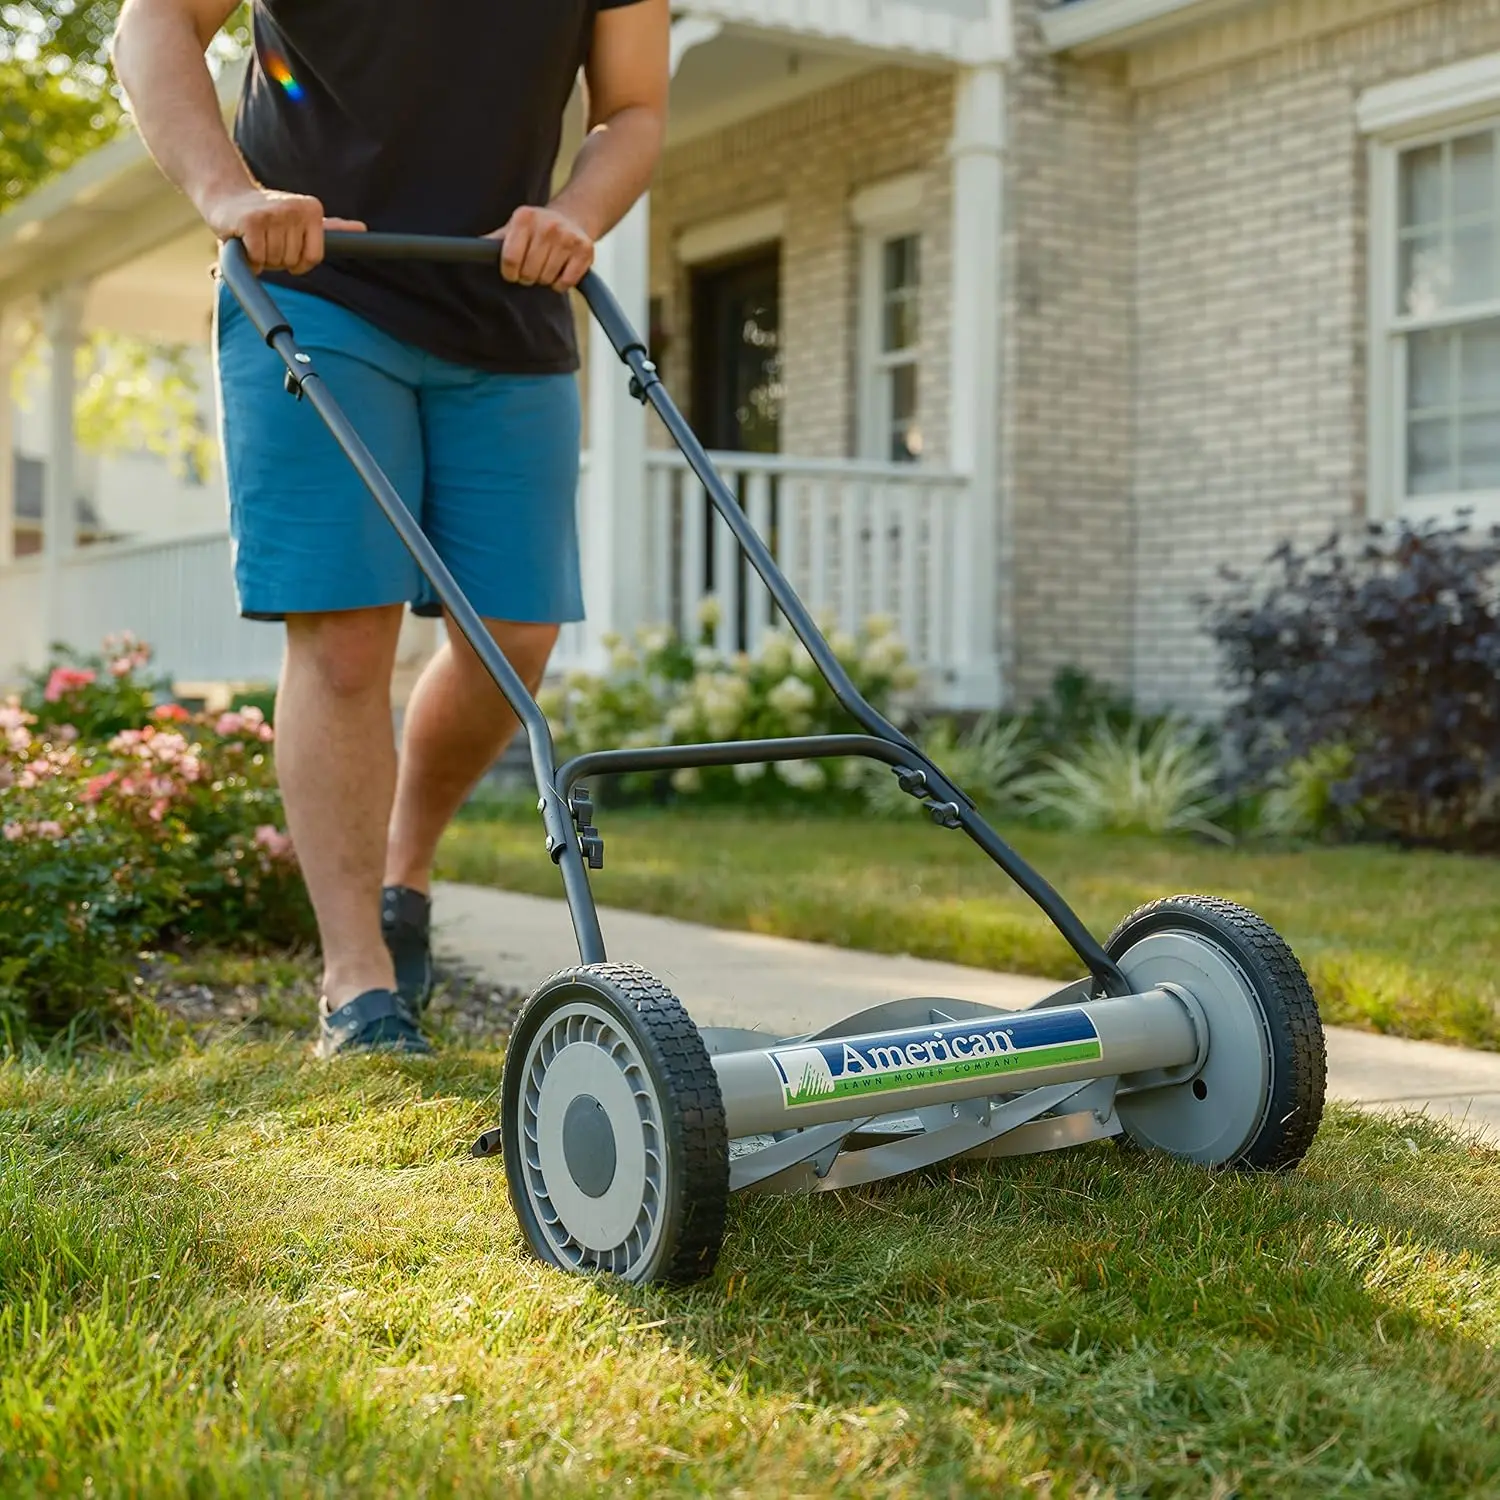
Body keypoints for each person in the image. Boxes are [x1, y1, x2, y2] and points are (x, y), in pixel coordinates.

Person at [112, 0, 670, 1056]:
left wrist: (578, 212)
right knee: (347, 630)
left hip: (505, 295)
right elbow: (154, 24)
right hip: (312, 287)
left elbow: (632, 108)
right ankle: (357, 981)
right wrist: (230, 191)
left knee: (514, 639)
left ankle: (403, 871)